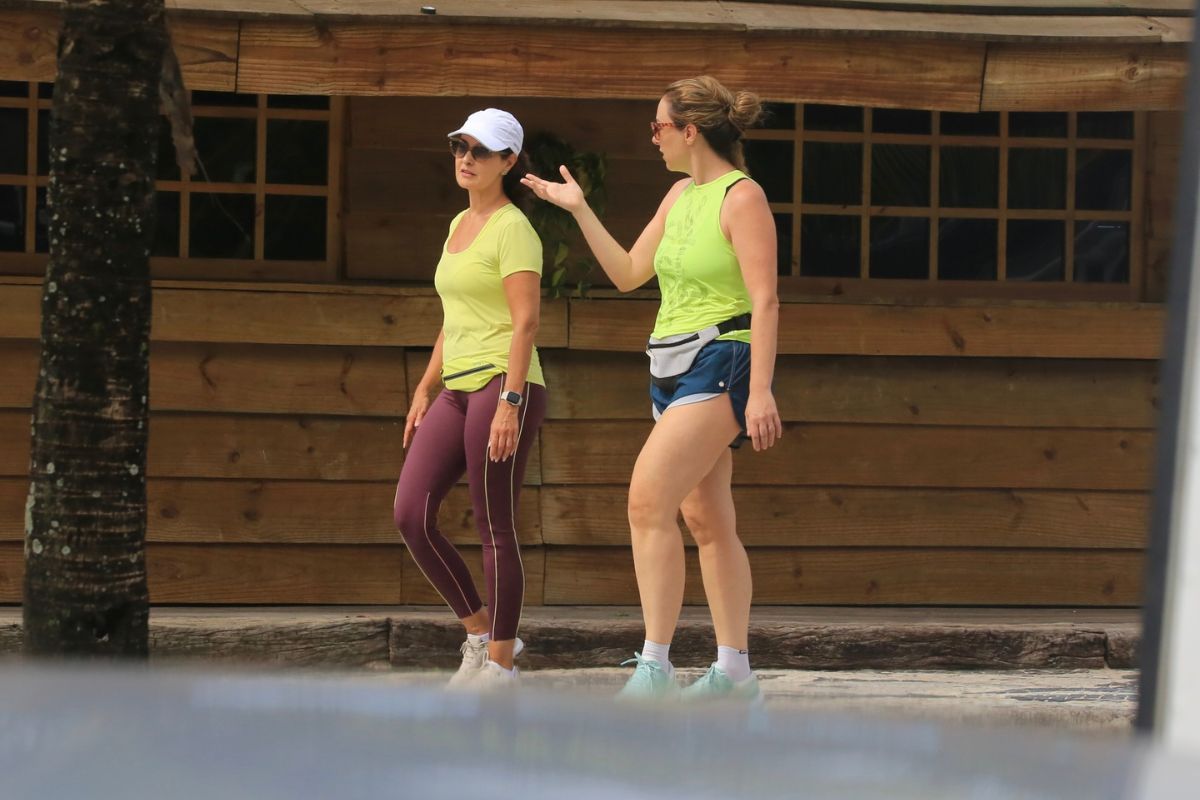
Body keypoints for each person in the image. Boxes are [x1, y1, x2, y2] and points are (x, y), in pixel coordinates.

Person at [522, 76, 782, 704]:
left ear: (689, 131)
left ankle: (656, 668)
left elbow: (766, 300)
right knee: (706, 517)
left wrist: (761, 392)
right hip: (669, 361)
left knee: (646, 500)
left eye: (658, 126)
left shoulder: (742, 196)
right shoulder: (678, 195)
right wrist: (579, 208)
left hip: (722, 359)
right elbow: (629, 272)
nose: (653, 137)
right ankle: (734, 675)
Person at [394, 108, 546, 690]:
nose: (466, 158)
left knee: (493, 524)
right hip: (456, 387)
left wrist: (511, 401)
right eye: (460, 146)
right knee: (410, 514)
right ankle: (480, 634)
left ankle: (502, 665)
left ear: (508, 162)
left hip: (502, 383)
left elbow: (525, 322)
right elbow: (454, 316)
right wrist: (425, 386)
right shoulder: (459, 224)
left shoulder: (514, 229)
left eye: (480, 151)